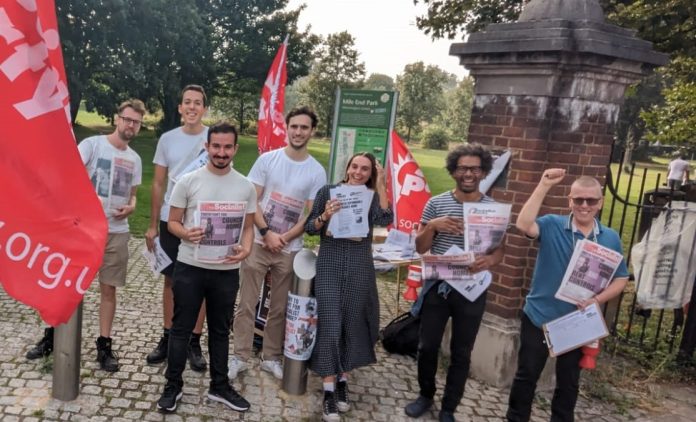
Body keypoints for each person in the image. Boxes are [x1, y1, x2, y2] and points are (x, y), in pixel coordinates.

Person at [25, 100, 145, 369]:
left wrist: (133, 206)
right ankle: (52, 336)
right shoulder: (92, 146)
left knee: (109, 289)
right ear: (117, 118)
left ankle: (104, 346)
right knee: (66, 285)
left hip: (116, 231)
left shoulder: (135, 159)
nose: (130, 125)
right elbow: (70, 178)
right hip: (83, 230)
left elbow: (134, 196)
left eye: (136, 122)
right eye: (127, 119)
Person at [506, 168, 629, 422]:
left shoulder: (610, 237)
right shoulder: (552, 224)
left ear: (601, 202)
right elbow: (523, 224)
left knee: (568, 383)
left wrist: (598, 300)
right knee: (527, 375)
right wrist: (543, 185)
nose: (584, 205)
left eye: (591, 200)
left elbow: (621, 278)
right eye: (578, 200)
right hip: (540, 317)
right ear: (570, 201)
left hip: (577, 322)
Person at [156, 122, 255, 413]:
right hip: (190, 267)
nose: (221, 152)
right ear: (207, 147)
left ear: (235, 149)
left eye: (227, 147)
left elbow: (248, 228)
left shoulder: (245, 185)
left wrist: (246, 248)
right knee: (180, 329)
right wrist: (185, 233)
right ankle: (173, 385)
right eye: (216, 146)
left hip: (225, 270)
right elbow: (172, 222)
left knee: (221, 330)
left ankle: (220, 386)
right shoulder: (188, 181)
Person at [405, 144, 504, 422]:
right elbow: (422, 248)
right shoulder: (436, 203)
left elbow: (499, 250)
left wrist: (490, 261)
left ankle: (449, 407)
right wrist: (433, 226)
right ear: (453, 171)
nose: (468, 173)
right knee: (427, 346)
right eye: (462, 168)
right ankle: (425, 395)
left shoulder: (493, 209)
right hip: (439, 286)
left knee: (462, 351)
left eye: (474, 168)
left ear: (483, 171)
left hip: (472, 289)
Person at [229, 106, 326, 380]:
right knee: (246, 303)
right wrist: (267, 232)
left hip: (289, 249)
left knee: (279, 308)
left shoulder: (316, 172)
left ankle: (271, 357)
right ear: (287, 127)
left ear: (312, 131)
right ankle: (239, 356)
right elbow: (252, 199)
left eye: (304, 127)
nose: (298, 132)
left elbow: (311, 214)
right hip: (258, 243)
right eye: (294, 126)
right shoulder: (267, 160)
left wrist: (284, 238)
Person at [305, 152, 392, 422]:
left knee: (351, 321)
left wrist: (381, 184)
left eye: (365, 169)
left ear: (370, 173)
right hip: (330, 260)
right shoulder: (328, 191)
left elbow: (386, 218)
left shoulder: (371, 196)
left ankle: (343, 378)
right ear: (347, 167)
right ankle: (329, 389)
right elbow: (310, 227)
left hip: (358, 263)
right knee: (331, 322)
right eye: (355, 166)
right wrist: (324, 217)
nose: (358, 172)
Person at [144, 84, 209, 371]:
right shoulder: (167, 139)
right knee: (170, 280)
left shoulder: (213, 138)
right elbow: (158, 183)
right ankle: (168, 337)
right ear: (180, 108)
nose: (192, 107)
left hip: (202, 220)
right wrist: (151, 225)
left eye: (197, 103)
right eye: (187, 102)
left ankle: (194, 342)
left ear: (204, 108)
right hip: (171, 218)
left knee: (202, 282)